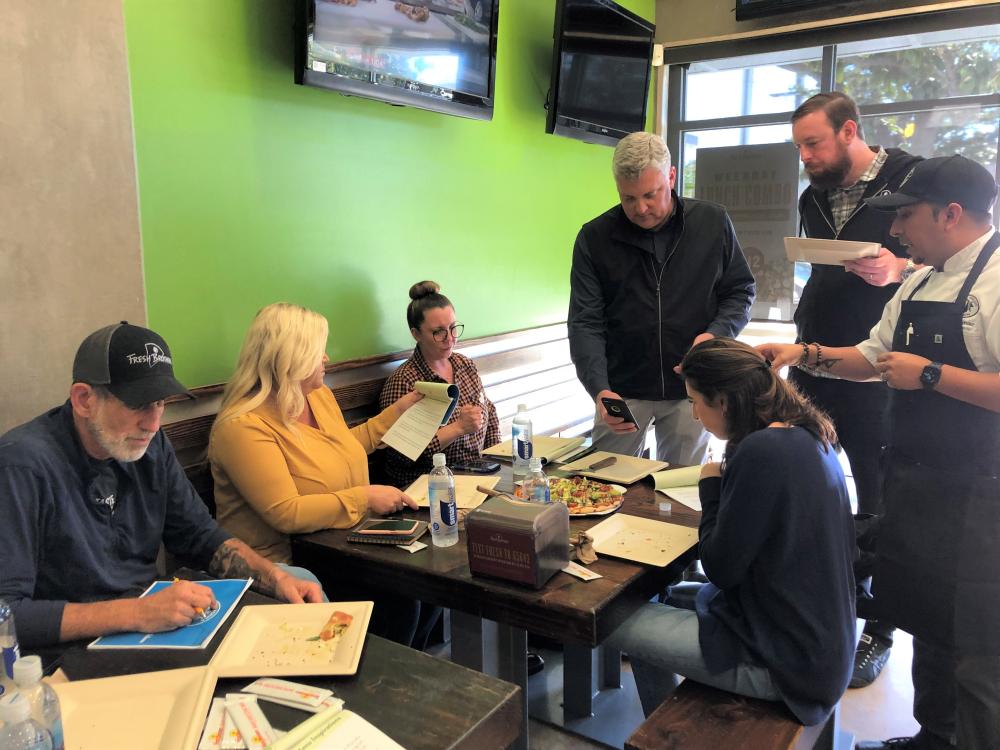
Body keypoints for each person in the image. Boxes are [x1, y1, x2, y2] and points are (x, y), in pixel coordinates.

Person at [759, 155, 1000, 750]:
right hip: (915, 485)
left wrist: (932, 375)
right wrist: (800, 353)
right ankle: (932, 738)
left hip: (982, 495)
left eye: (907, 216)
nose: (895, 231)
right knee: (928, 624)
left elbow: (918, 374)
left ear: (950, 214)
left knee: (978, 648)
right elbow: (870, 359)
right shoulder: (918, 280)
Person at [0, 322, 323, 649]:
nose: (153, 423)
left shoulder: (149, 446)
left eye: (161, 403)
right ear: (84, 400)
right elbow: (6, 613)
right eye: (138, 404)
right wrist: (135, 612)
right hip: (64, 655)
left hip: (149, 629)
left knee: (297, 596)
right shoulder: (23, 465)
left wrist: (275, 579)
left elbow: (199, 535)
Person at [607, 338, 855, 727]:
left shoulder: (762, 451)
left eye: (695, 402)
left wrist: (710, 487)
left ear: (722, 400)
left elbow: (721, 567)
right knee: (658, 596)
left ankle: (668, 729)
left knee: (607, 619)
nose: (693, 415)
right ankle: (661, 719)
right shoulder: (808, 431)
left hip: (784, 663)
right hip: (818, 642)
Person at [790, 91, 923, 688]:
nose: (805, 157)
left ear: (850, 131)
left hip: (876, 368)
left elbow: (957, 265)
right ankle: (821, 597)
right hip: (813, 360)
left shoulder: (912, 181)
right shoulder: (810, 199)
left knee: (877, 502)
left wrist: (900, 270)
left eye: (813, 144)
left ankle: (879, 629)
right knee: (807, 485)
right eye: (799, 147)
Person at [207, 302, 432, 646]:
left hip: (342, 543)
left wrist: (398, 411)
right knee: (399, 602)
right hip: (287, 564)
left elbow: (345, 447)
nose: (326, 357)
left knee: (424, 586)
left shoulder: (317, 396)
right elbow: (286, 512)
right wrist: (364, 497)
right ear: (290, 357)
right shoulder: (243, 427)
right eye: (318, 350)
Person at [568, 131, 755, 466]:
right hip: (620, 390)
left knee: (679, 494)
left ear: (671, 176)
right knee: (603, 484)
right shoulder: (594, 238)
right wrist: (598, 389)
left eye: (650, 195)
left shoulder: (712, 222)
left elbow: (740, 291)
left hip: (692, 389)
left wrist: (715, 336)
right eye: (628, 198)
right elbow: (585, 321)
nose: (640, 208)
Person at [379, 281, 500, 488]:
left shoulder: (464, 365)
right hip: (426, 489)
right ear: (416, 334)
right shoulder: (406, 382)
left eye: (453, 328)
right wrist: (458, 428)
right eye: (439, 332)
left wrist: (496, 462)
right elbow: (401, 454)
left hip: (475, 477)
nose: (450, 339)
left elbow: (489, 411)